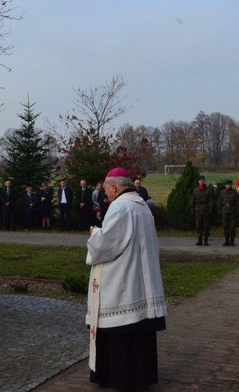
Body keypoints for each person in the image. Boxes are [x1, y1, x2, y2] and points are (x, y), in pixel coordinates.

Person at [86, 167, 166, 391]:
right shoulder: (142, 206)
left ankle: (119, 377)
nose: (105, 194)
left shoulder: (119, 207)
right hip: (140, 279)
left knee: (120, 333)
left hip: (124, 282)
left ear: (114, 186)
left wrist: (94, 233)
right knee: (139, 336)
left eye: (106, 188)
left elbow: (107, 245)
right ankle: (141, 377)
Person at [191, 175, 212, 246]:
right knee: (199, 225)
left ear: (204, 181)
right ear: (198, 181)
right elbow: (193, 201)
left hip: (205, 209)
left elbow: (210, 201)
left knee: (206, 226)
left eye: (202, 180)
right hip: (198, 209)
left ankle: (205, 240)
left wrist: (210, 209)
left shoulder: (208, 190)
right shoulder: (195, 190)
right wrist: (192, 209)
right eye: (200, 180)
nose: (201, 181)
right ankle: (199, 240)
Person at [218, 179, 239, 246]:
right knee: (225, 226)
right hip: (224, 211)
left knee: (232, 226)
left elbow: (237, 203)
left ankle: (232, 241)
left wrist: (237, 212)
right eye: (227, 184)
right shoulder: (222, 192)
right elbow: (219, 202)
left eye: (230, 184)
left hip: (232, 211)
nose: (228, 185)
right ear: (225, 185)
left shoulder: (234, 193)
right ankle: (226, 240)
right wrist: (219, 211)